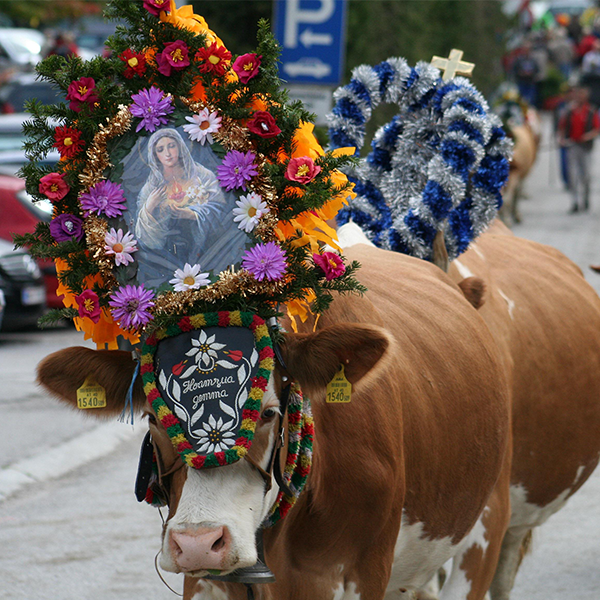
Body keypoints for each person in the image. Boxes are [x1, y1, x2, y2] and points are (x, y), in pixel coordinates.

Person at [135, 128, 247, 288]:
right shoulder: (152, 187)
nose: (167, 153)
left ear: (180, 147)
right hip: (168, 257)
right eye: (160, 149)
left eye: (171, 146)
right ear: (155, 155)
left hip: (206, 248)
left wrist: (193, 214)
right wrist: (150, 207)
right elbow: (144, 235)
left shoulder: (202, 175)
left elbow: (221, 209)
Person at [558, 86, 600, 213]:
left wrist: (588, 136)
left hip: (585, 147)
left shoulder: (591, 111)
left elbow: (596, 129)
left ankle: (585, 199)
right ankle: (575, 201)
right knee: (573, 175)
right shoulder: (569, 111)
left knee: (585, 175)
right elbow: (562, 126)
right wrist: (561, 139)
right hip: (572, 146)